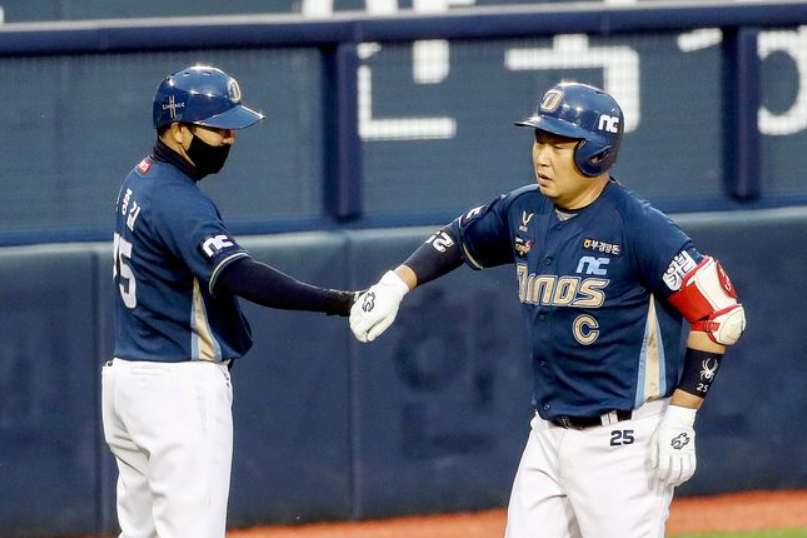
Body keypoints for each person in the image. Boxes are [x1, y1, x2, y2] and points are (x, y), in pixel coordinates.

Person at [349, 82, 746, 537]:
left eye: (559, 144)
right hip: (548, 433)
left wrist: (682, 415)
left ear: (595, 153)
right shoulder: (525, 209)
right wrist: (396, 283)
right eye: (539, 140)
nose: (542, 155)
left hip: (623, 444)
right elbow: (460, 237)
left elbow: (721, 315)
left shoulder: (639, 227)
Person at [103, 65, 358, 538]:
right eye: (218, 128)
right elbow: (241, 275)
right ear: (178, 130)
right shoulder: (178, 200)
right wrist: (337, 301)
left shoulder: (138, 179)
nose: (230, 138)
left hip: (129, 382)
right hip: (177, 387)